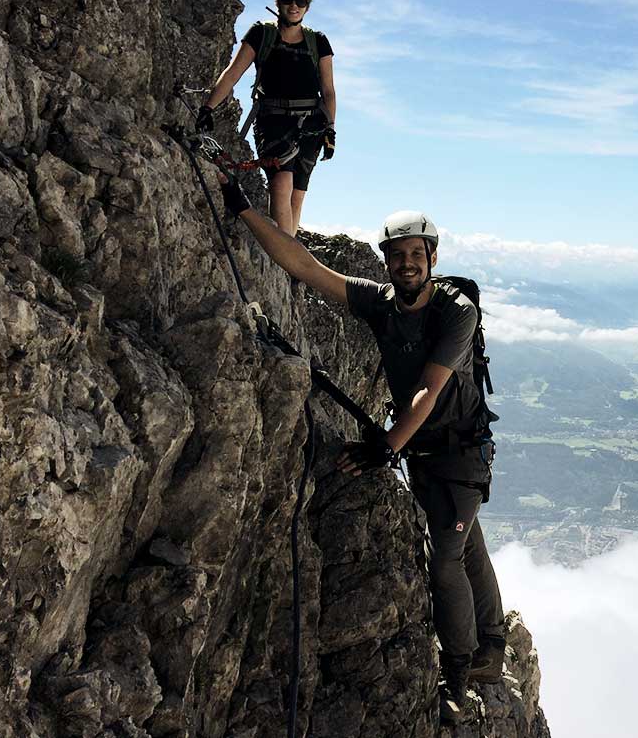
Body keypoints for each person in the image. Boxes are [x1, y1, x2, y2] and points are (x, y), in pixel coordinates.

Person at [216, 183, 505, 723]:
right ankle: (492, 640)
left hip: (457, 452)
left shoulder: (455, 311)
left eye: (417, 255)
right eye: (397, 256)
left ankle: (461, 674)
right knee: (466, 543)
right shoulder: (380, 303)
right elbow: (304, 267)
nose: (407, 264)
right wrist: (243, 211)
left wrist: (385, 447)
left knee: (446, 559)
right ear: (387, 262)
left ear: (433, 259)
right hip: (428, 451)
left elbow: (430, 389)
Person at [199, 0, 337, 235]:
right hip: (272, 122)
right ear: (277, 1)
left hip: (312, 124)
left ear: (307, 5)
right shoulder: (261, 34)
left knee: (297, 193)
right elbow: (233, 73)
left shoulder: (318, 42)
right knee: (281, 184)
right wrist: (208, 107)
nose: (294, 5)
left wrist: (330, 129)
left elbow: (329, 91)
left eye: (301, 1)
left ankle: (289, 260)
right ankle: (286, 255)